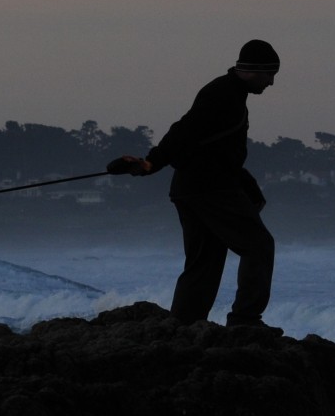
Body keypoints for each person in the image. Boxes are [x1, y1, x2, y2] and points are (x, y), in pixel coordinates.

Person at [110, 40, 280, 328]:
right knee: (259, 246)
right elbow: (184, 130)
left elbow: (214, 148)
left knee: (205, 261)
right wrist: (151, 162)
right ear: (254, 70)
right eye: (269, 74)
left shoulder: (230, 93)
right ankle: (245, 321)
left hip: (190, 188)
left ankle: (184, 326)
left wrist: (247, 184)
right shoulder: (222, 94)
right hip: (211, 188)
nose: (271, 82)